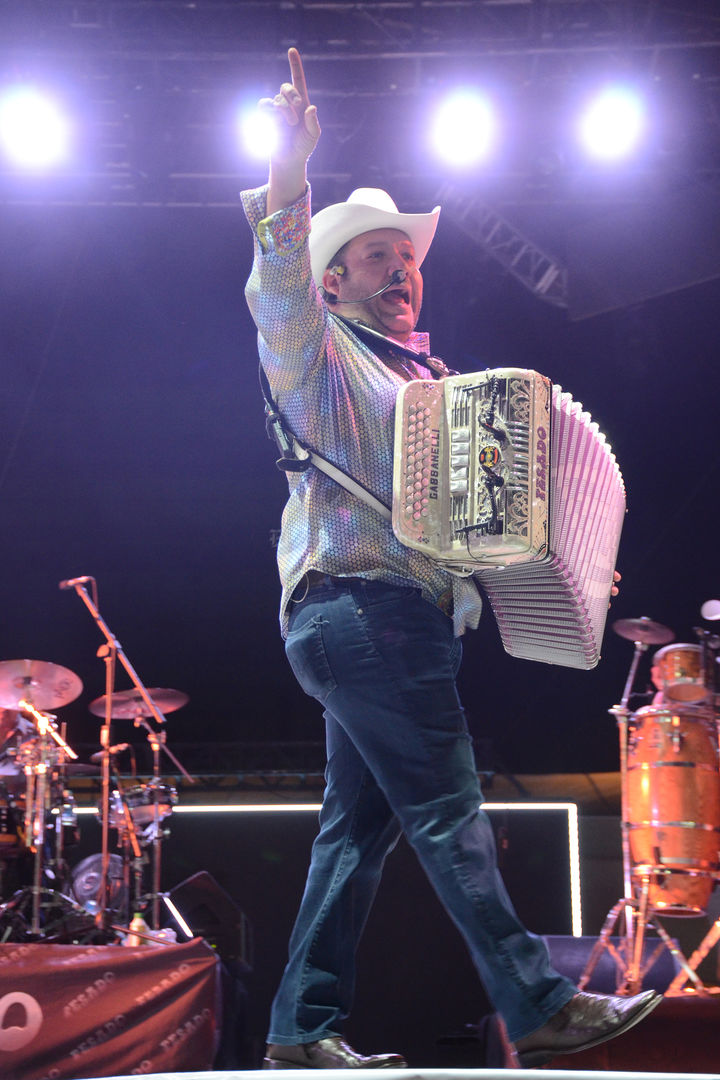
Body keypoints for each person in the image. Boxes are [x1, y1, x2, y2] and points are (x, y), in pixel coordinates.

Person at [242, 48, 661, 1069]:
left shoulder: (433, 389)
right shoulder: (320, 357)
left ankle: (301, 1029)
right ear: (336, 278)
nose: (402, 269)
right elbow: (277, 287)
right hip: (363, 612)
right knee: (447, 803)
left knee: (357, 831)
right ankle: (538, 1001)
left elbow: (476, 534)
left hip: (394, 615)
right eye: (377, 256)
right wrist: (290, 172)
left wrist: (565, 562)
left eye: (410, 256)